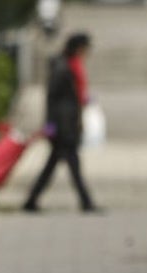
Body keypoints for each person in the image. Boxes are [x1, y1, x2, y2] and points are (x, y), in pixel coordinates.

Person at [23, 32, 99, 213]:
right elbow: (52, 98)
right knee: (72, 165)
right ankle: (86, 202)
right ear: (78, 48)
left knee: (54, 166)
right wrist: (50, 124)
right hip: (63, 126)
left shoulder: (71, 66)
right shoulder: (63, 67)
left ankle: (32, 200)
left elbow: (73, 94)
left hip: (68, 123)